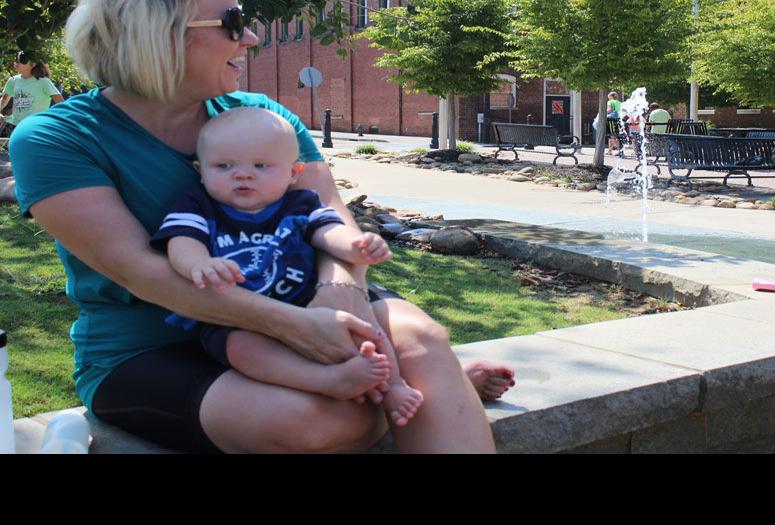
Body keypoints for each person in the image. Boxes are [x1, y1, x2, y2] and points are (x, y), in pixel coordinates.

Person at [12, 0, 514, 453]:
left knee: (424, 340)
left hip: (299, 289)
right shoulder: (57, 138)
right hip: (153, 342)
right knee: (312, 423)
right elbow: (140, 270)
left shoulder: (263, 117)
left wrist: (336, 292)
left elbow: (328, 216)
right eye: (233, 23)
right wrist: (297, 327)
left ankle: (423, 375)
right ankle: (428, 383)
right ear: (158, 35)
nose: (250, 37)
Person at [151, 107, 423, 427]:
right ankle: (326, 380)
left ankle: (392, 387)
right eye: (224, 166)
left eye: (261, 165)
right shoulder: (198, 205)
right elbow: (180, 241)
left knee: (364, 321)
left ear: (293, 172)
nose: (243, 174)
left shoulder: (300, 203)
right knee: (241, 348)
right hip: (238, 316)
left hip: (307, 301)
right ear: (200, 170)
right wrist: (198, 263)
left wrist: (354, 245)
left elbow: (327, 232)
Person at [1, 52, 64, 138]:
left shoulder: (43, 82)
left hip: (35, 127)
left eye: (21, 60)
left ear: (33, 64)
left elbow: (61, 102)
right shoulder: (13, 80)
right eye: (16, 60)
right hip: (13, 126)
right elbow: (4, 100)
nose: (16, 62)